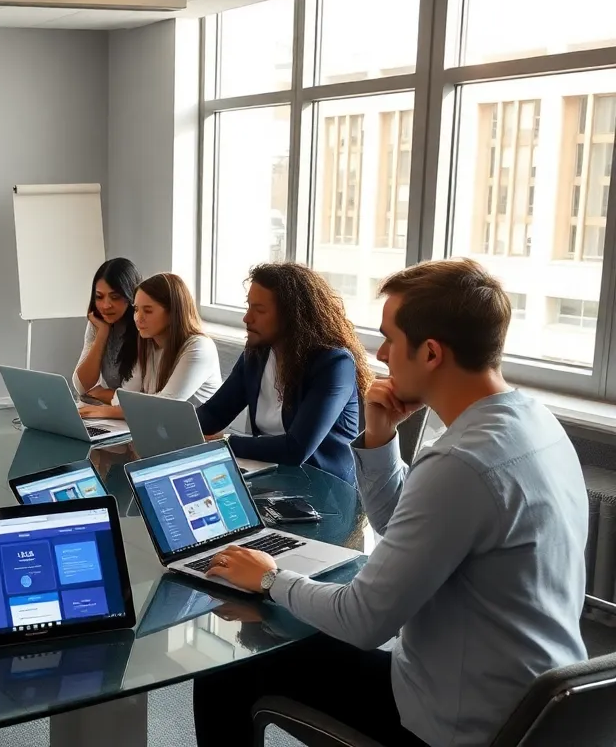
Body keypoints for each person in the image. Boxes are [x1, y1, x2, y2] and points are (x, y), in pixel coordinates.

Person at [195, 259, 588, 747]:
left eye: (389, 340)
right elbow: (400, 522)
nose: (379, 355)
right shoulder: (534, 423)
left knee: (223, 672)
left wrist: (271, 578)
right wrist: (379, 438)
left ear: (429, 353)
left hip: (459, 723)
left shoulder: (461, 463)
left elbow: (361, 620)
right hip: (537, 706)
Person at [195, 263, 372, 484]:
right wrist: (179, 429)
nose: (247, 318)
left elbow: (296, 448)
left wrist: (224, 442)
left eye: (259, 311)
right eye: (248, 307)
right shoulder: (256, 355)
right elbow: (214, 413)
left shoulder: (333, 363)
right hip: (268, 477)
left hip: (325, 488)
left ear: (292, 317)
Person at [78, 272, 221, 420]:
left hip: (202, 438)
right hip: (163, 431)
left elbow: (164, 406)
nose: (138, 318)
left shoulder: (199, 347)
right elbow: (126, 396)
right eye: (136, 309)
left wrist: (102, 411)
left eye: (148, 311)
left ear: (173, 312)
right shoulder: (147, 343)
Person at [73, 258, 142, 405]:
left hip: (137, 414)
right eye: (99, 297)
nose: (105, 306)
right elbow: (81, 386)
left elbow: (133, 397)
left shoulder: (142, 325)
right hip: (113, 410)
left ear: (130, 296)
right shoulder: (98, 323)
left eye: (115, 297)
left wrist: (98, 393)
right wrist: (102, 333)